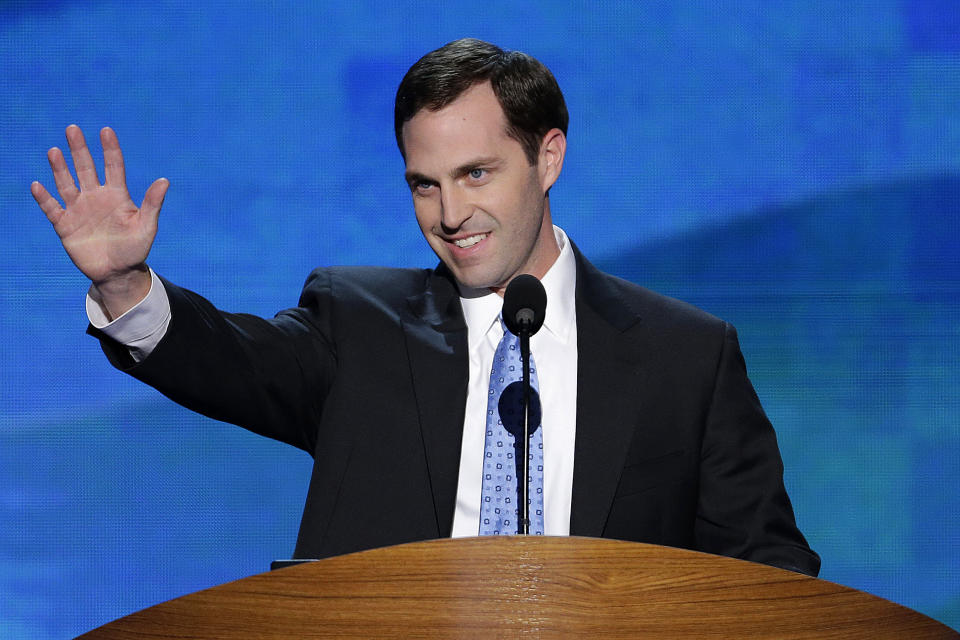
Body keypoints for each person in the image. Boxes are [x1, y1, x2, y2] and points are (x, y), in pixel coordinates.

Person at [32, 38, 820, 575]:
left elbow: (770, 575)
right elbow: (230, 361)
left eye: (477, 174)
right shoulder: (359, 322)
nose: (449, 214)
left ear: (548, 156)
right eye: (424, 183)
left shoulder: (686, 354)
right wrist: (126, 287)